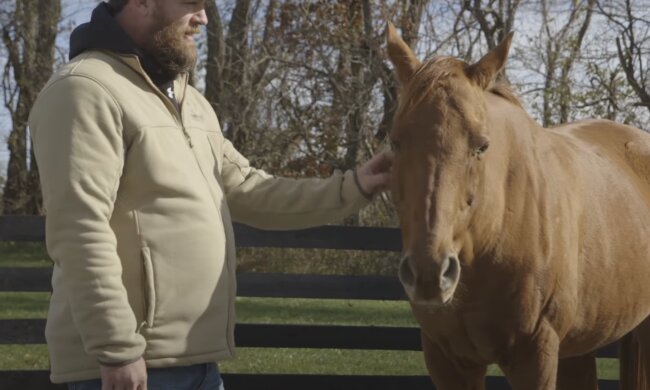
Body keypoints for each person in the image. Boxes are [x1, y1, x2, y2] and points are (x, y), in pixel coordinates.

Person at [28, 0, 392, 389]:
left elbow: (250, 189)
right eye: (192, 3)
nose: (203, 17)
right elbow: (79, 228)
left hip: (199, 364)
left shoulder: (191, 102)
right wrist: (116, 347)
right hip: (128, 367)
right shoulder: (85, 89)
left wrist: (355, 185)